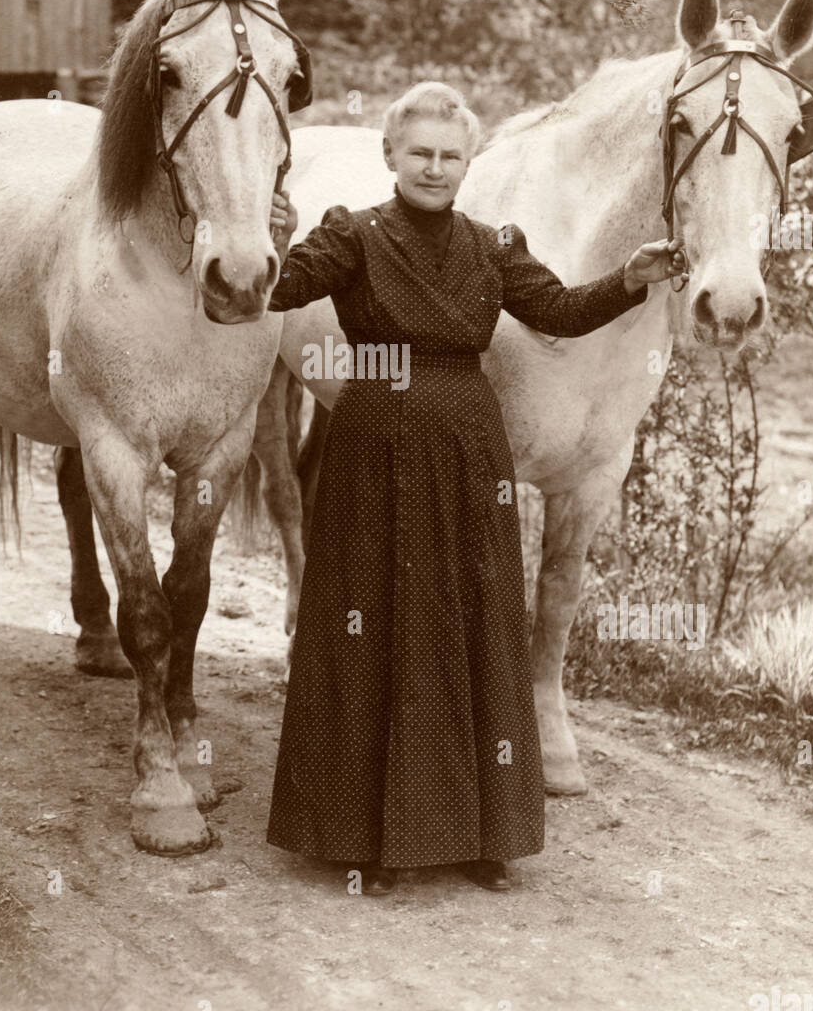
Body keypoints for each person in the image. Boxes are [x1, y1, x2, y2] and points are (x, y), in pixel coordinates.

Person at [265, 81, 685, 896]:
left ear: (468, 162)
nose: (433, 168)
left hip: (467, 448)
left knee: (473, 629)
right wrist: (262, 238)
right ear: (389, 156)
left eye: (448, 156)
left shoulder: (493, 243)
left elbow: (559, 312)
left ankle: (478, 832)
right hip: (372, 443)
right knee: (373, 627)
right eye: (418, 153)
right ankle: (362, 839)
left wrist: (630, 279)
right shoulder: (350, 235)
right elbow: (271, 292)